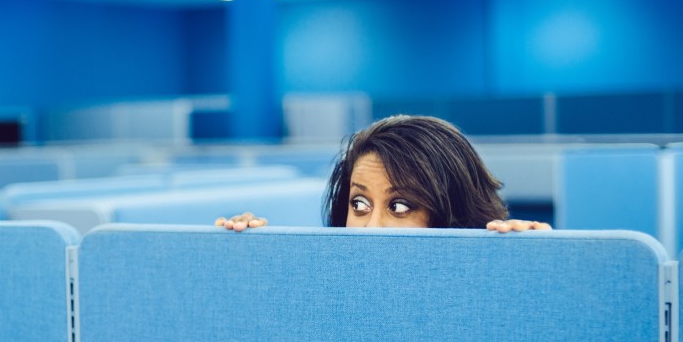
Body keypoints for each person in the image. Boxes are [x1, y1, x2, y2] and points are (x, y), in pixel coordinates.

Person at [215, 115, 552, 233]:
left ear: (453, 213)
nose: (370, 226)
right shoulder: (330, 287)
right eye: (359, 204)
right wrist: (249, 256)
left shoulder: (481, 292)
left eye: (400, 206)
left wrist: (524, 266)